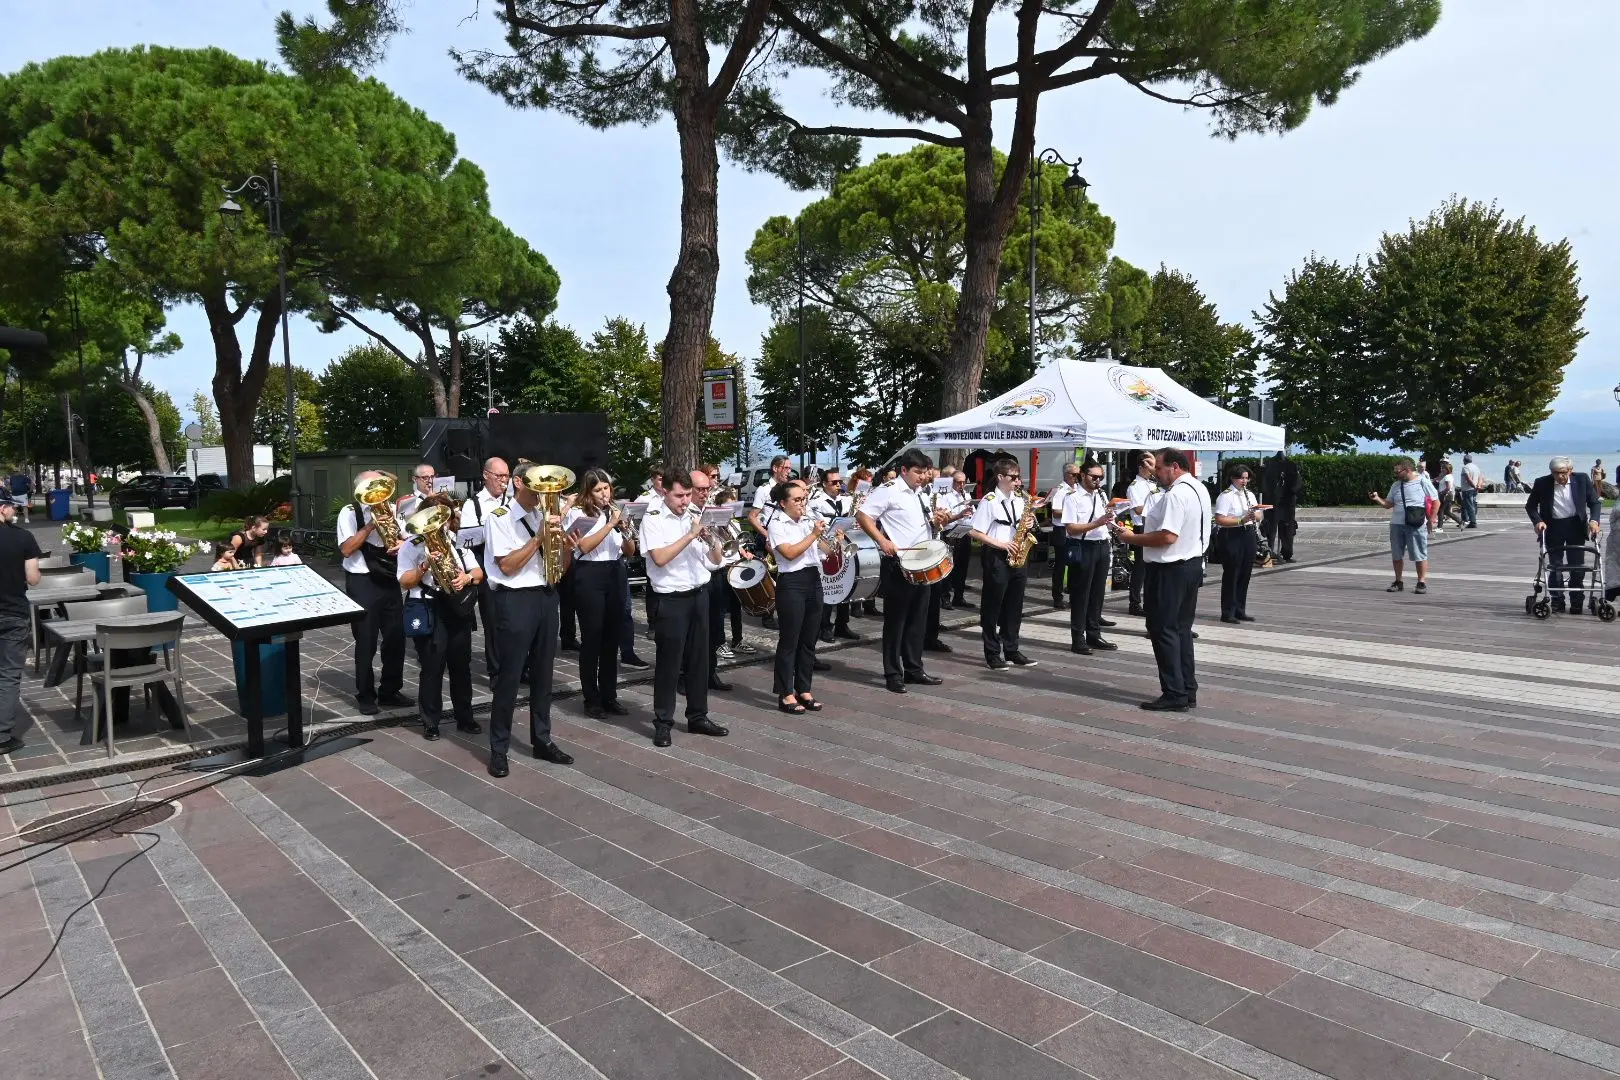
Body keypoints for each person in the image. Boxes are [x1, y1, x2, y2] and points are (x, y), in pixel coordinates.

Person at [482, 464, 575, 778]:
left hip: (546, 596)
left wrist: (565, 545)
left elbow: (559, 569)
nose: (544, 491)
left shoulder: (543, 515)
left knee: (544, 674)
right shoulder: (499, 517)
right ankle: (499, 749)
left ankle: (542, 738)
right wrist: (539, 538)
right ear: (519, 482)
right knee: (509, 678)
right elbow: (507, 565)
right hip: (515, 599)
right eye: (537, 484)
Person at [1111, 448, 1211, 712]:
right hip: (1190, 565)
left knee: (1163, 630)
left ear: (1175, 467)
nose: (1156, 473)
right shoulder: (1199, 488)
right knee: (1180, 630)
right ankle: (1187, 688)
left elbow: (1168, 536)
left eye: (1160, 468)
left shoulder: (1177, 494)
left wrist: (1131, 538)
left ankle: (1174, 693)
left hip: (1170, 569)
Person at [640, 470, 730, 747]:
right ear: (665, 492)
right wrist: (690, 535)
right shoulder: (652, 519)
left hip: (699, 595)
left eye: (688, 495)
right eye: (679, 495)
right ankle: (663, 722)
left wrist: (712, 539)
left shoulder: (694, 517)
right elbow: (660, 558)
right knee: (669, 664)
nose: (685, 500)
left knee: (699, 660)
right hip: (671, 599)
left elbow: (715, 561)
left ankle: (698, 716)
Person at [397, 492, 484, 742]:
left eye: (443, 517)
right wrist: (424, 566)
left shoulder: (455, 541)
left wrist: (467, 577)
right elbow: (404, 581)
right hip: (428, 606)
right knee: (432, 668)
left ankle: (465, 717)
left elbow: (478, 571)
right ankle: (431, 722)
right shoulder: (412, 545)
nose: (440, 524)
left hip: (455, 609)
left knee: (461, 666)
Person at [857, 448, 945, 693]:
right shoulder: (889, 490)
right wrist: (882, 541)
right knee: (896, 622)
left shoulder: (922, 493)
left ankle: (914, 669)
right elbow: (863, 515)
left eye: (924, 472)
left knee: (918, 620)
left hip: (923, 562)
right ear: (904, 470)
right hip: (899, 563)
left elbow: (925, 525)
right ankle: (893, 673)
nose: (922, 477)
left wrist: (939, 521)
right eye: (917, 472)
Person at [337, 472, 412, 716]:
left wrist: (403, 543)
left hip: (388, 578)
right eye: (372, 487)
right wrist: (371, 525)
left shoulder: (390, 507)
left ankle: (390, 691)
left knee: (395, 638)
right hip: (362, 581)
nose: (378, 492)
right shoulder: (350, 512)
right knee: (366, 640)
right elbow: (347, 549)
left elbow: (405, 537)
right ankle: (365, 695)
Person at [564, 468, 635, 719]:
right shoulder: (578, 514)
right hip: (590, 573)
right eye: (597, 490)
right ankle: (591, 698)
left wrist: (624, 529)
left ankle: (609, 696)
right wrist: (610, 524)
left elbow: (629, 551)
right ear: (588, 492)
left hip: (615, 571)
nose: (604, 493)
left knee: (611, 638)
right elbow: (583, 546)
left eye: (606, 488)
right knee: (592, 638)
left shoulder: (615, 512)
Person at [970, 459, 1038, 669]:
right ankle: (992, 653)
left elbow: (1021, 527)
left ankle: (1012, 649)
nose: (1018, 482)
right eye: (1014, 478)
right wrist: (1002, 544)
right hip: (997, 556)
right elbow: (974, 532)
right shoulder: (989, 501)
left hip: (1018, 555)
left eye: (1019, 477)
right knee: (992, 606)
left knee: (1014, 606)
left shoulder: (1019, 500)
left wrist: (1028, 524)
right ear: (1000, 477)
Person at [768, 480, 829, 713]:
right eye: (796, 500)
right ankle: (785, 693)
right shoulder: (777, 524)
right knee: (789, 640)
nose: (801, 504)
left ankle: (804, 688)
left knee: (808, 640)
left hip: (813, 579)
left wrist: (834, 540)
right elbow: (790, 553)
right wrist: (814, 534)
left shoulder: (807, 522)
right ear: (783, 503)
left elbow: (826, 551)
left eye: (802, 499)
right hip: (791, 583)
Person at [1526, 456, 1602, 614]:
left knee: (1577, 565)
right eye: (1555, 473)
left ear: (1570, 470)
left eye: (1563, 472)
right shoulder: (1542, 482)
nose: (1559, 476)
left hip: (1575, 526)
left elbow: (1594, 502)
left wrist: (1594, 520)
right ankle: (1557, 599)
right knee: (1556, 566)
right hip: (1553, 527)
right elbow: (1531, 506)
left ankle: (1576, 600)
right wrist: (1537, 522)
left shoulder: (1581, 479)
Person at [460, 457, 512, 681]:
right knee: (492, 621)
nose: (503, 481)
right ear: (486, 475)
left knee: (513, 620)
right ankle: (496, 671)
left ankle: (517, 667)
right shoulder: (473, 504)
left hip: (512, 567)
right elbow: (466, 541)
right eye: (499, 476)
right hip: (488, 567)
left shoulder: (512, 501)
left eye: (506, 476)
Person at [0, 494, 41, 755]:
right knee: (8, 674)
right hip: (12, 612)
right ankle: (2, 735)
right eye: (12, 507)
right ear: (2, 509)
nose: (14, 510)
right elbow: (33, 578)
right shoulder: (22, 537)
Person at [1062, 460, 1118, 654]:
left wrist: (1111, 522)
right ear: (1083, 475)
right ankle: (1078, 638)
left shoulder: (1101, 495)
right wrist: (1098, 523)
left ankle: (1094, 634)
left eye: (1100, 477)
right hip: (1083, 547)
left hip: (1102, 545)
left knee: (1097, 593)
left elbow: (1104, 523)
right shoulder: (1072, 497)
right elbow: (1071, 528)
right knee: (1081, 594)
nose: (1097, 481)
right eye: (1094, 477)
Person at [690, 470, 734, 693]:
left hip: (716, 572)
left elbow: (723, 540)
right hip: (696, 577)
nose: (704, 493)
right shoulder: (686, 513)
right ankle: (687, 676)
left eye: (707, 489)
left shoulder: (711, 510)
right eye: (700, 489)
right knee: (695, 630)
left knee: (715, 627)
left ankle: (710, 673)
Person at [1368, 457, 1438, 594]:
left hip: (1415, 524)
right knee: (1396, 554)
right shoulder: (1395, 485)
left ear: (1407, 470)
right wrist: (1377, 499)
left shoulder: (1422, 482)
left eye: (1397, 472)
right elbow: (1389, 504)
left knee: (1419, 554)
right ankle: (1398, 581)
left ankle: (1421, 582)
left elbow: (1436, 502)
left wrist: (1431, 520)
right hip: (1397, 524)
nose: (1396, 474)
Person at [809, 468, 859, 643]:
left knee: (846, 582)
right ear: (824, 484)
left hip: (844, 544)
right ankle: (825, 627)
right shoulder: (816, 502)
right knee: (829, 586)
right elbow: (816, 523)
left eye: (840, 482)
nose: (839, 485)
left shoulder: (846, 500)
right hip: (826, 547)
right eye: (834, 483)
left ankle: (842, 624)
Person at [1213, 464, 1262, 623]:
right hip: (1231, 534)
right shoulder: (1226, 495)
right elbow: (1220, 519)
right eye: (1241, 478)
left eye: (1247, 478)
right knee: (1232, 573)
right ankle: (1228, 611)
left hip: (1248, 533)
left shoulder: (1250, 494)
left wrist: (1256, 516)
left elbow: (1259, 514)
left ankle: (1240, 609)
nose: (1244, 481)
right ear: (1233, 478)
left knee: (1245, 573)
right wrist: (1241, 519)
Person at [1122, 451, 1157, 615]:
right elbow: (1138, 508)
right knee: (1140, 568)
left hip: (1154, 525)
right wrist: (1159, 509)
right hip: (1142, 526)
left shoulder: (1152, 484)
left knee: (1152, 566)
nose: (1152, 469)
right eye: (1149, 465)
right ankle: (1134, 603)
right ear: (1141, 466)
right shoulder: (1135, 486)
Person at [1046, 463, 1081, 610]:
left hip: (1074, 530)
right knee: (1060, 566)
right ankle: (1057, 598)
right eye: (1074, 475)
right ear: (1066, 475)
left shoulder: (1078, 489)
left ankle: (1074, 596)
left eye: (1078, 475)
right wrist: (1073, 510)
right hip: (1061, 530)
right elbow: (1055, 512)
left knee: (1075, 564)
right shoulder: (1060, 490)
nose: (1076, 477)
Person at [1260, 451, 1303, 563]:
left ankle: (1287, 553)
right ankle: (1268, 553)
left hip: (1286, 502)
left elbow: (1297, 482)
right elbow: (1262, 482)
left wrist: (1293, 491)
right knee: (1270, 528)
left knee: (1287, 528)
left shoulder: (1291, 464)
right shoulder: (1268, 464)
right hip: (1271, 501)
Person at [942, 471, 974, 610]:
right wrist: (959, 515)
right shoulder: (946, 496)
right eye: (958, 482)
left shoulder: (967, 495)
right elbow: (946, 519)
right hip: (951, 533)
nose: (961, 485)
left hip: (965, 532)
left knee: (962, 566)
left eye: (963, 482)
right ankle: (945, 598)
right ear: (952, 482)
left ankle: (959, 597)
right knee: (949, 566)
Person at [1458, 454, 1483, 529]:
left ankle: (1473, 522)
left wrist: (1473, 485)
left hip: (1467, 489)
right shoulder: (1476, 467)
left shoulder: (1465, 467)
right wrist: (1478, 485)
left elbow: (1468, 478)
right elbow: (1480, 477)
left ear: (1465, 460)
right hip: (1474, 489)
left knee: (1469, 506)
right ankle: (1465, 520)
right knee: (1470, 505)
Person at [1436, 461, 1456, 533]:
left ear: (1447, 469)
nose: (1442, 470)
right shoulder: (1448, 476)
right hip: (1448, 495)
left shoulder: (1447, 477)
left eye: (1443, 469)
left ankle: (1440, 527)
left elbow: (1448, 487)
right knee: (1447, 512)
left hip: (1445, 495)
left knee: (1440, 511)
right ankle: (1460, 521)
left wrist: (1441, 492)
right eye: (1441, 468)